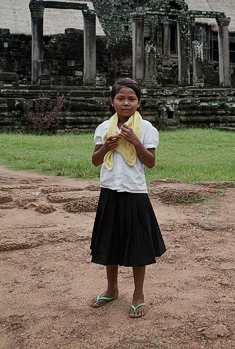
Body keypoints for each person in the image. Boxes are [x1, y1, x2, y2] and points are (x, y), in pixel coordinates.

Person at [90, 78, 166, 318]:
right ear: (112, 102)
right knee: (109, 242)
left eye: (131, 99)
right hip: (110, 190)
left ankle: (138, 294)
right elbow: (95, 160)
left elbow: (151, 162)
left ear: (139, 102)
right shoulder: (104, 128)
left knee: (138, 245)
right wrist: (106, 148)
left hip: (135, 192)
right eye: (120, 99)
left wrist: (134, 140)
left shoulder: (146, 129)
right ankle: (112, 289)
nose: (126, 103)